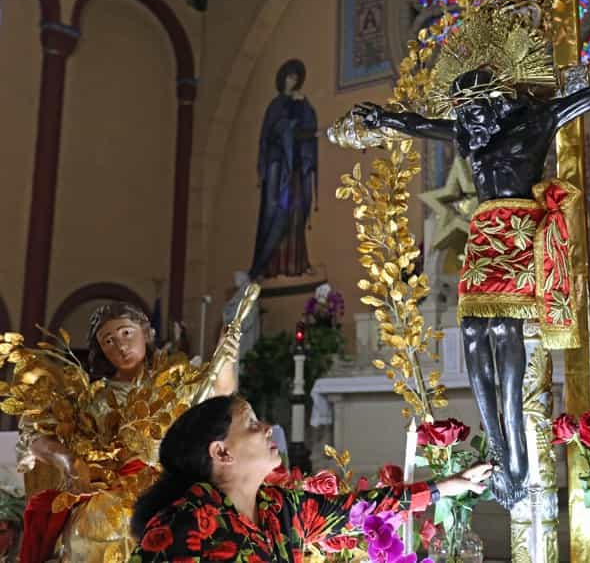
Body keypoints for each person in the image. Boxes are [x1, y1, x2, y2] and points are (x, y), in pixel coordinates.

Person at [353, 23, 590, 507]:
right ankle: (497, 442)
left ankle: (515, 446)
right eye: (463, 117)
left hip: (520, 235)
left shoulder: (536, 122)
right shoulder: (467, 131)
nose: (468, 126)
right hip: (484, 237)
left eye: (474, 114)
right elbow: (419, 125)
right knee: (472, 334)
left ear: (497, 102)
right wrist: (383, 119)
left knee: (502, 333)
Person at [130, 395, 492, 561]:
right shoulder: (183, 522)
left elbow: (361, 509)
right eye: (252, 424)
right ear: (221, 452)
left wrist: (446, 486)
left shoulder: (279, 506)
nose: (268, 429)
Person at [17, 303, 241, 562]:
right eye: (108, 340)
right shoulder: (95, 397)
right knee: (97, 529)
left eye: (126, 333)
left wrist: (227, 358)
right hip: (112, 494)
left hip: (168, 486)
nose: (120, 346)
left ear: (145, 333)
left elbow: (219, 395)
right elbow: (37, 434)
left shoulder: (175, 382)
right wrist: (70, 461)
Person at [250, 59, 320, 279]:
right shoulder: (276, 105)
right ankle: (267, 265)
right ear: (282, 79)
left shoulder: (300, 103)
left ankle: (296, 263)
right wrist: (289, 129)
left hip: (295, 168)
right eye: (290, 76)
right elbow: (273, 134)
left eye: (296, 77)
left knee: (295, 214)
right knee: (274, 214)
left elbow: (309, 128)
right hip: (278, 169)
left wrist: (304, 106)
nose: (294, 80)